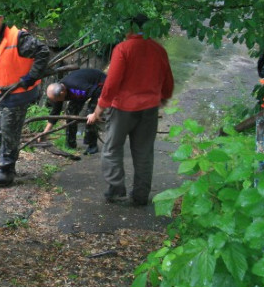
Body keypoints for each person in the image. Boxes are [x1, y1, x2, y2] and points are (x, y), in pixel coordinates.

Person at [87, 13, 174, 206]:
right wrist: (163, 98)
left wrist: (98, 110)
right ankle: (141, 195)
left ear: (131, 28)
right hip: (149, 108)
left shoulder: (123, 49)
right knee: (144, 152)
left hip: (123, 109)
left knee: (111, 149)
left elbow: (111, 84)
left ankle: (117, 190)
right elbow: (168, 81)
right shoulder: (158, 50)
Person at [0, 3, 51, 186]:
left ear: (1, 18)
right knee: (1, 129)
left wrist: (30, 77)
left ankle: (7, 170)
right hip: (0, 92)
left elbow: (43, 52)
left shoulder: (17, 37)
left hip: (18, 92)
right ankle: (5, 167)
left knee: (9, 129)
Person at [42, 68, 107, 154]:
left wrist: (95, 114)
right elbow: (55, 112)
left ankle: (92, 145)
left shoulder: (77, 85)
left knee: (90, 115)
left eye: (56, 99)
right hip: (83, 91)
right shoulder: (59, 91)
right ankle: (70, 144)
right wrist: (45, 133)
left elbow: (99, 93)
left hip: (99, 87)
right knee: (71, 112)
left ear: (62, 93)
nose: (55, 102)